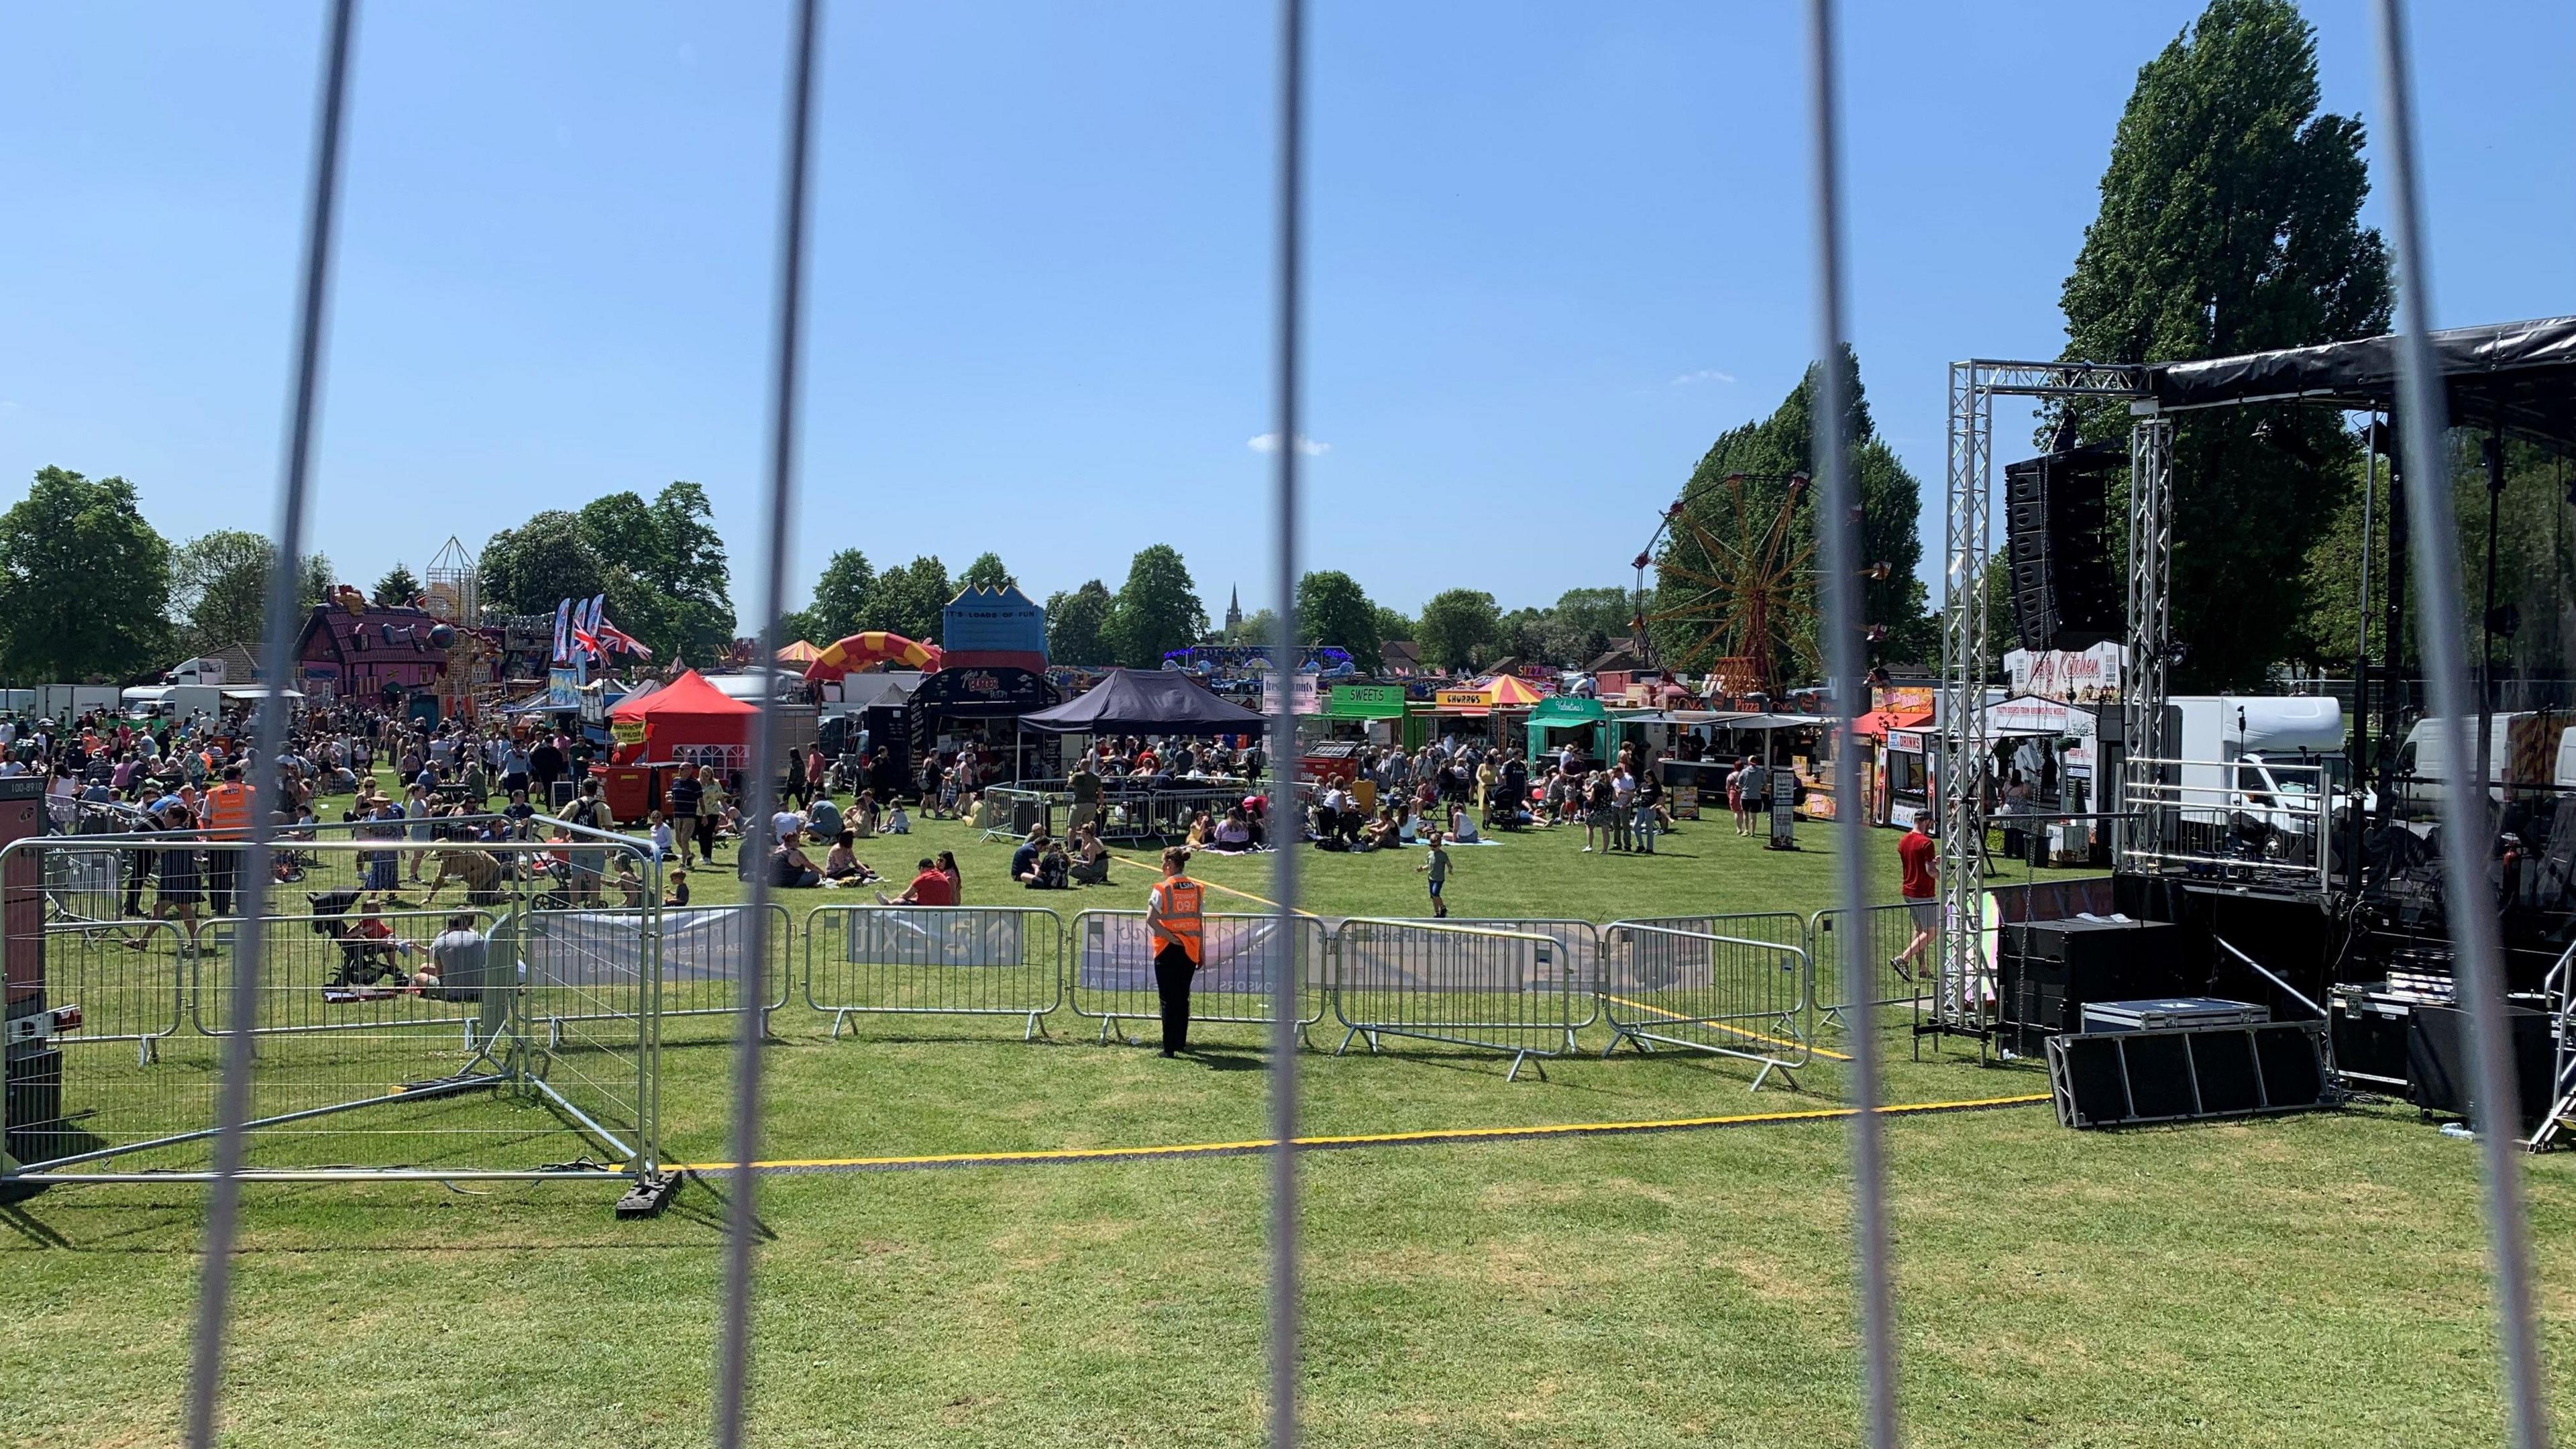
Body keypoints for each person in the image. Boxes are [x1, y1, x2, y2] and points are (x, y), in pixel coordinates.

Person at [1144, 845, 1204, 1057]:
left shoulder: (1162, 888)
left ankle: (1169, 1048)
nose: (1161, 866)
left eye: (1162, 862)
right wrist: (1202, 951)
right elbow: (1199, 922)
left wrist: (1170, 937)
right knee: (1182, 997)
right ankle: (1180, 1042)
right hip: (1191, 949)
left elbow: (1151, 919)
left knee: (1168, 999)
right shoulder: (1197, 888)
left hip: (1168, 949)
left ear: (1169, 864)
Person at [1891, 809, 1940, 981]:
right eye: (1931, 823)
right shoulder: (1927, 843)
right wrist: (1943, 876)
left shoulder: (1904, 840)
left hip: (1909, 890)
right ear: (1926, 821)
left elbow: (1917, 862)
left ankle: (1922, 968)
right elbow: (1930, 871)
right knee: (1931, 932)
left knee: (1919, 930)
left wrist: (1933, 862)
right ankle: (1902, 959)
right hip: (1924, 892)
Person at [666, 763, 704, 868]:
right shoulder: (676, 781)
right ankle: (689, 855)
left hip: (689, 814)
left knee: (684, 839)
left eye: (682, 769)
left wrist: (704, 814)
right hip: (677, 814)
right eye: (679, 769)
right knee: (678, 839)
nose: (680, 771)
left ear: (690, 770)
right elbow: (673, 795)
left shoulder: (695, 784)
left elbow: (700, 800)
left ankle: (683, 863)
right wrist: (670, 799)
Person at [881, 857, 957, 906]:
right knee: (913, 898)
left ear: (923, 868)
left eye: (919, 869)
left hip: (925, 912)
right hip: (945, 911)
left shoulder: (923, 878)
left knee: (897, 902)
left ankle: (889, 904)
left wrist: (896, 901)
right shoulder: (942, 876)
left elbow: (904, 895)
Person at [1417, 829, 1452, 919]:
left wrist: (1450, 869)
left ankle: (1443, 908)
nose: (1432, 847)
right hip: (1431, 878)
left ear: (1440, 845)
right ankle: (1437, 913)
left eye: (1435, 846)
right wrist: (1422, 869)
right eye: (1430, 845)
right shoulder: (1430, 854)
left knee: (1436, 894)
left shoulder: (1443, 855)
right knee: (1433, 897)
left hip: (1439, 879)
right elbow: (1429, 865)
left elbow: (1448, 863)